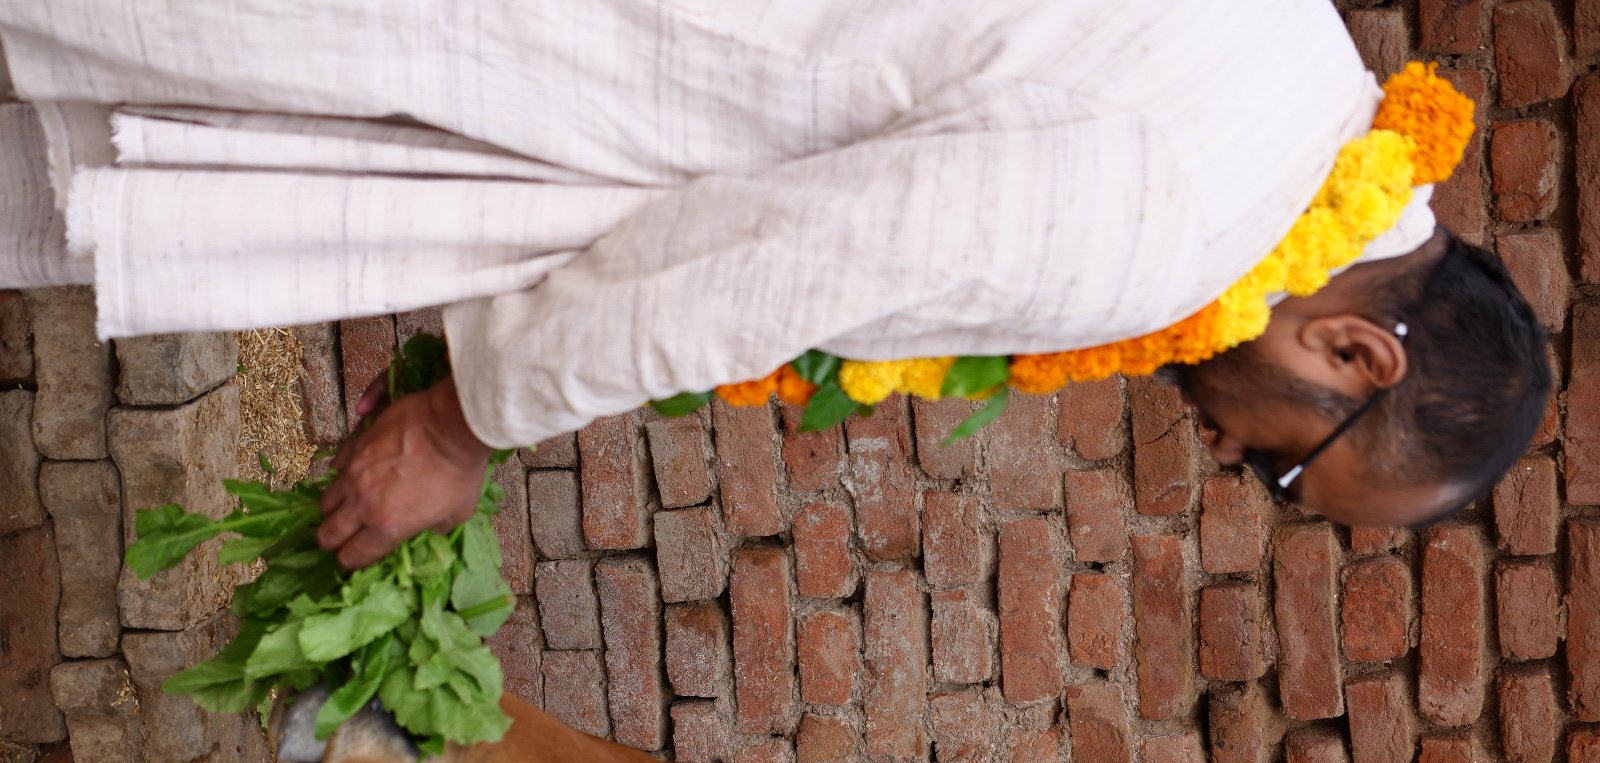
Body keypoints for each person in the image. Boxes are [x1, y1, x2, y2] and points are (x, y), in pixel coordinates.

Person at [0, 1, 1548, 568]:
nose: (1234, 463)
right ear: (1355, 353)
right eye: (1287, 471)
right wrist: (470, 421)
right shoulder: (1174, 220)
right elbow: (783, 261)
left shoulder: (1284, 46)